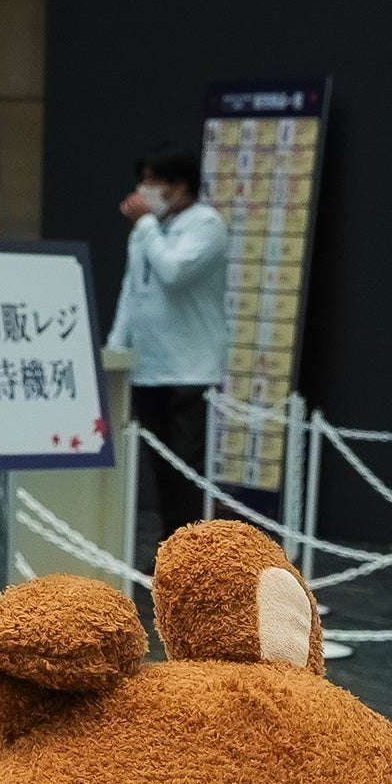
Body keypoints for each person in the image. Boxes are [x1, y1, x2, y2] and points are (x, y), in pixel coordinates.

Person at [108, 146, 227, 554]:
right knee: (160, 469)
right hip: (149, 366)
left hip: (190, 369)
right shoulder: (150, 230)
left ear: (179, 186)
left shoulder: (206, 224)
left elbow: (174, 272)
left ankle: (190, 556)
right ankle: (169, 550)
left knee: (185, 470)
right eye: (142, 180)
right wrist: (115, 349)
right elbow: (132, 290)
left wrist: (144, 226)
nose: (144, 189)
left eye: (153, 181)